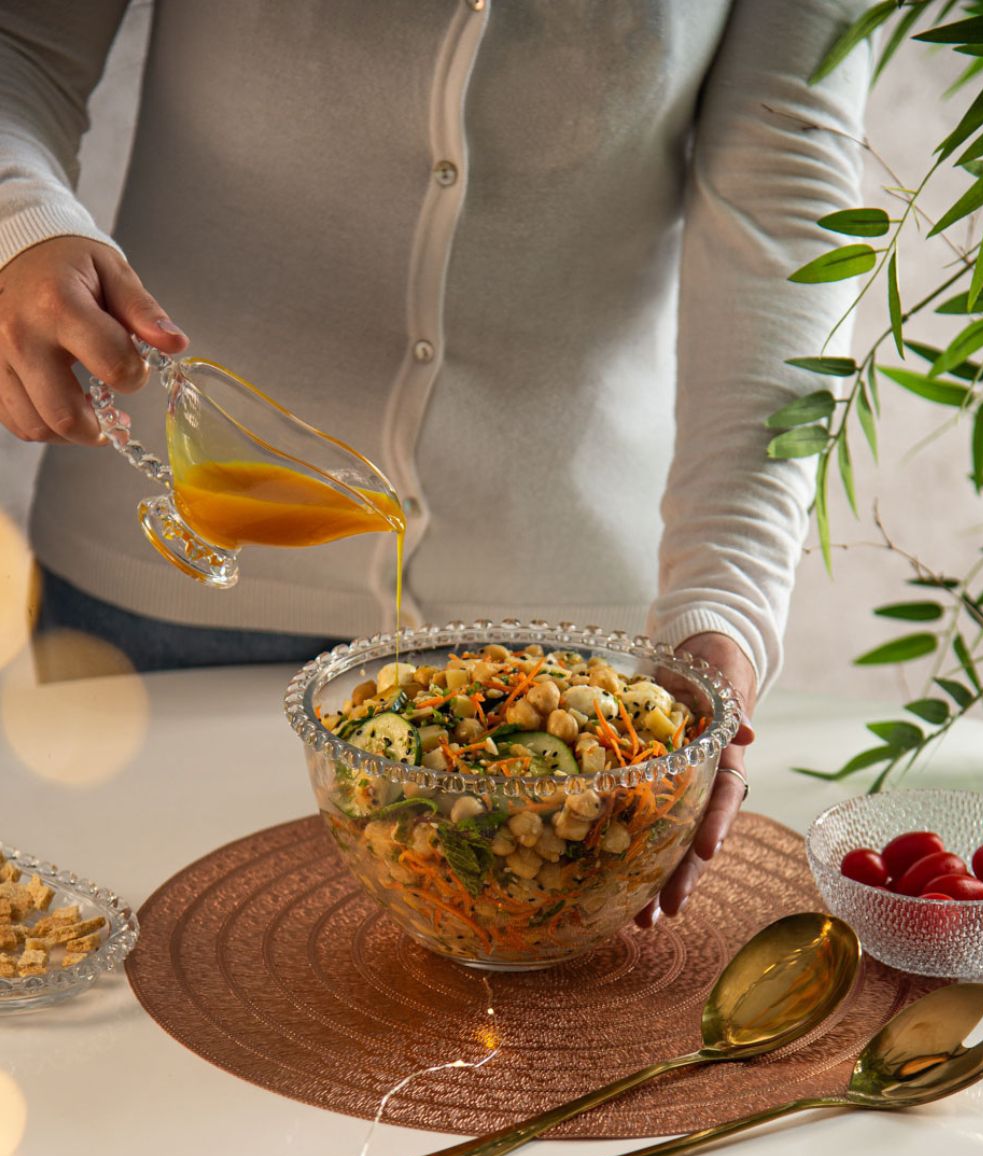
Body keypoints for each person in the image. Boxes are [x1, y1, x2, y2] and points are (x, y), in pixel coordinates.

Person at [0, 1, 872, 924]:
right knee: (116, 977)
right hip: (158, 605)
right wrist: (21, 220)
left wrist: (725, 603)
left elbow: (789, 219)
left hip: (587, 647)